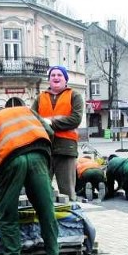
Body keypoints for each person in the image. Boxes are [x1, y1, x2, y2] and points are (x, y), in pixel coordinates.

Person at [0, 103, 59, 255]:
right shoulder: (27, 110)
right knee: (45, 208)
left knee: (7, 210)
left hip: (13, 160)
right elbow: (50, 132)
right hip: (39, 156)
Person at [31, 65, 83, 201]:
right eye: (53, 75)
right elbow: (32, 119)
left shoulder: (74, 95)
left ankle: (70, 218)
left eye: (59, 75)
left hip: (66, 148)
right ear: (49, 80)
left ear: (65, 79)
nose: (56, 77)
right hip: (44, 148)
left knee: (67, 191)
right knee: (41, 187)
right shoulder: (40, 97)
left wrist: (50, 123)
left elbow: (75, 119)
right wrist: (52, 122)